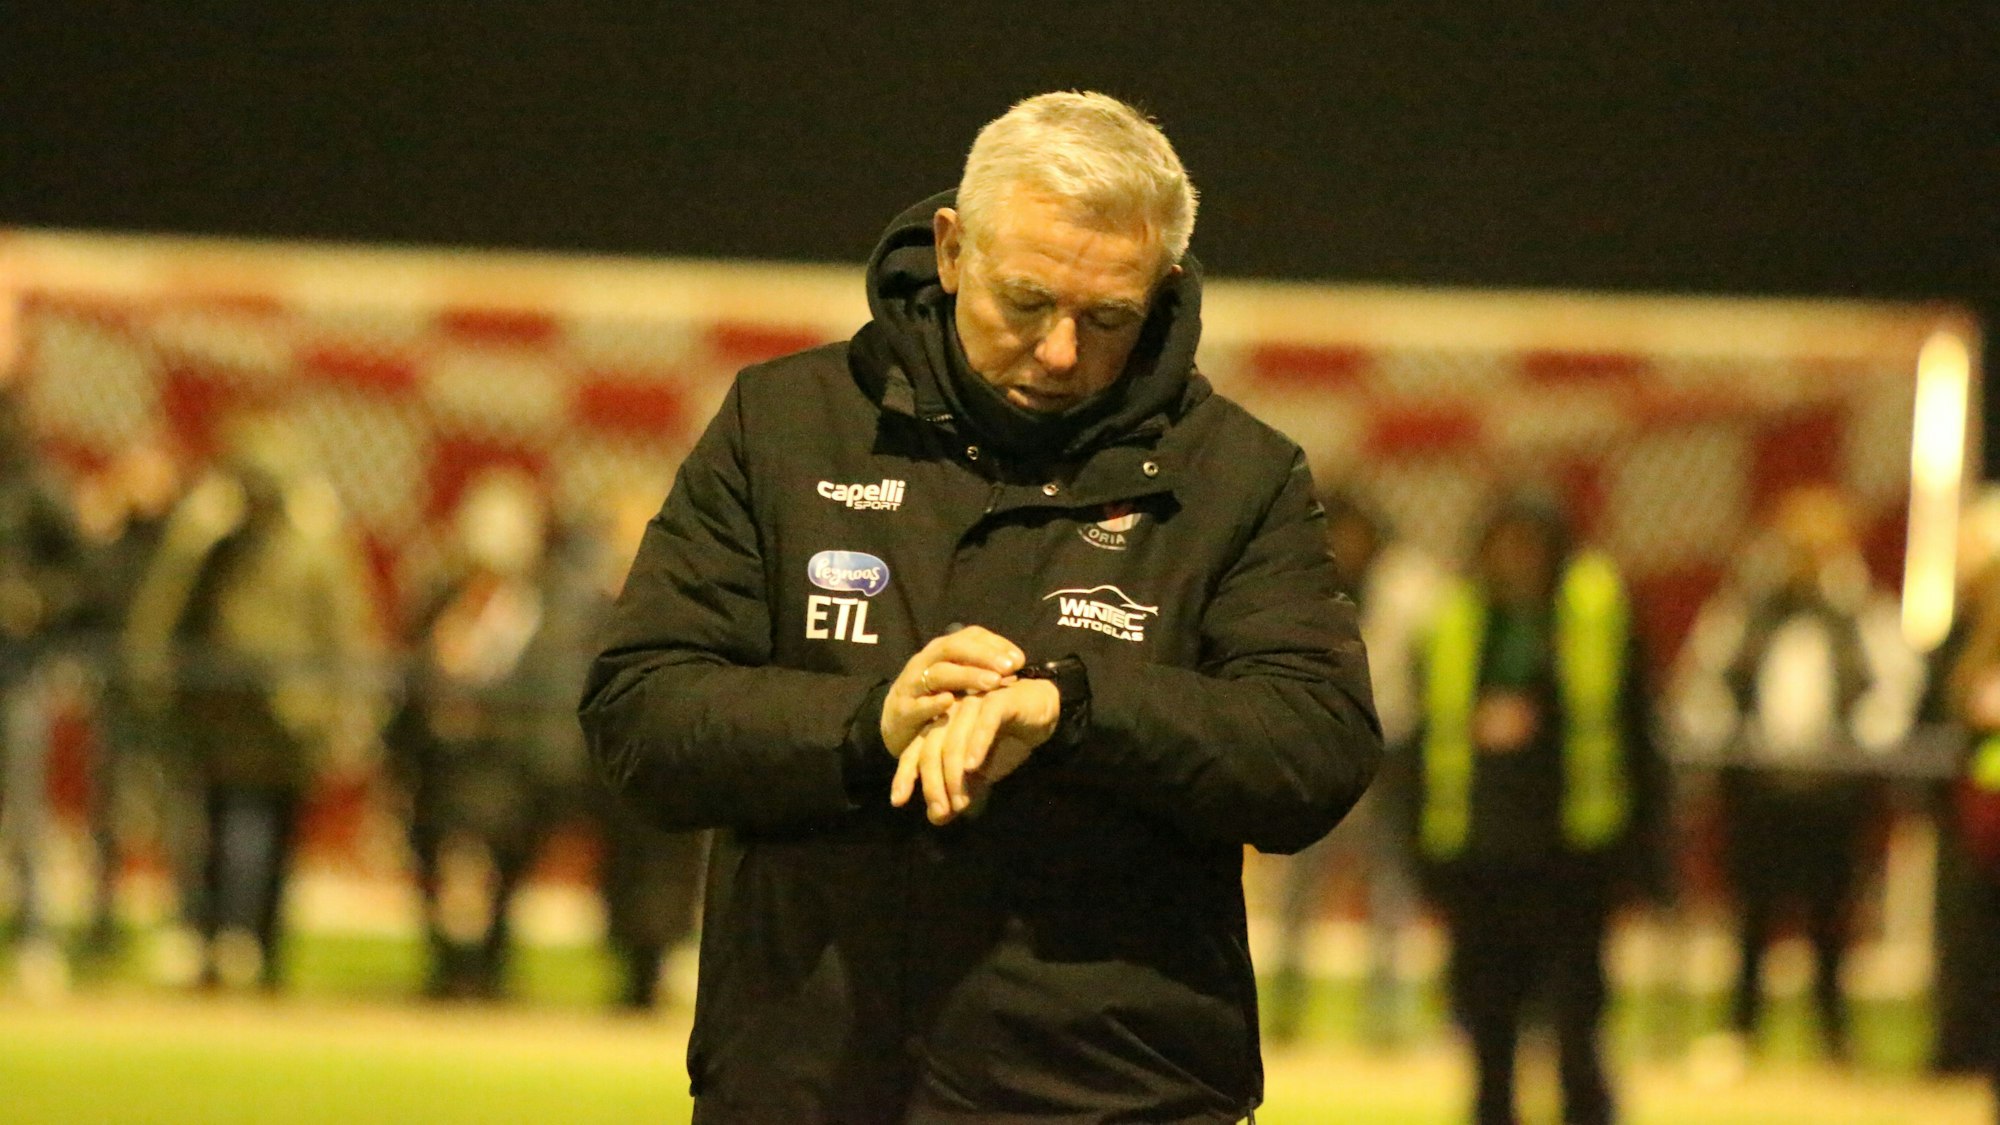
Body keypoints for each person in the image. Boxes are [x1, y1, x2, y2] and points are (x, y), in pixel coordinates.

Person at [580, 91, 1381, 1124]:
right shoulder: (780, 427)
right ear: (952, 250)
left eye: (1106, 319)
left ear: (1165, 290)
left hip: (1117, 1097)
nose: (1059, 353)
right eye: (1026, 301)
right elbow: (639, 715)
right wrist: (867, 722)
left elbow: (1315, 747)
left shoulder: (1239, 477)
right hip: (804, 1088)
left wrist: (1071, 712)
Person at [1411, 492, 1667, 1125]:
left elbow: (1637, 731)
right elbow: (1421, 742)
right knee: (1487, 1013)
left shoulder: (1596, 610)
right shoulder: (1454, 618)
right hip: (1481, 850)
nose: (1517, 560)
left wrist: (1643, 852)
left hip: (1575, 848)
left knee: (1579, 1013)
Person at [125, 411, 379, 990]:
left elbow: (346, 634)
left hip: (289, 723)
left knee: (266, 836)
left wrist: (347, 715)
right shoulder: (213, 545)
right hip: (219, 718)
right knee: (216, 832)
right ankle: (222, 938)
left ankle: (254, 943)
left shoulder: (317, 548)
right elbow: (163, 618)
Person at [1711, 487, 1884, 1064]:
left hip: (1833, 790)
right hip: (1760, 786)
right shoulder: (1747, 612)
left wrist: (1860, 748)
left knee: (1832, 913)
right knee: (1755, 913)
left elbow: (1887, 695)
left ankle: (1835, 1036)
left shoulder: (1861, 617)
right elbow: (1709, 686)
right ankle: (1741, 1030)